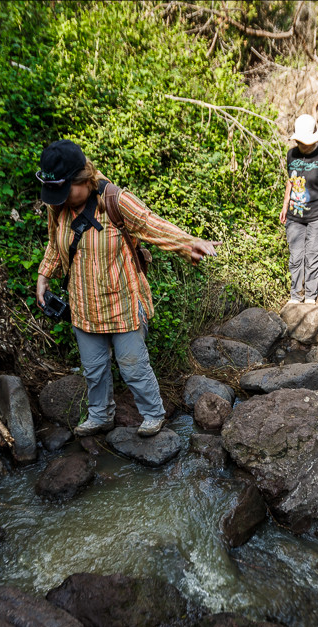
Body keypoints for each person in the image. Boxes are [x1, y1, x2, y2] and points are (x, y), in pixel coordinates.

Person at [35, 139, 218, 437]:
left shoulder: (115, 200)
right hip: (84, 304)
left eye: (65, 190)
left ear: (83, 178)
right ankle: (100, 415)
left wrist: (189, 243)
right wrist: (44, 275)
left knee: (133, 366)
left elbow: (151, 224)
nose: (60, 199)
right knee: (93, 368)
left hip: (122, 302)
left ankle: (153, 414)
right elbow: (56, 243)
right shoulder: (58, 206)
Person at [279, 114, 318, 305]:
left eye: (305, 142)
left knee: (313, 255)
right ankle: (295, 295)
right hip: (295, 215)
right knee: (296, 256)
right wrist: (285, 205)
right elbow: (291, 181)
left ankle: (310, 296)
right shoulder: (291, 154)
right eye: (299, 141)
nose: (302, 145)